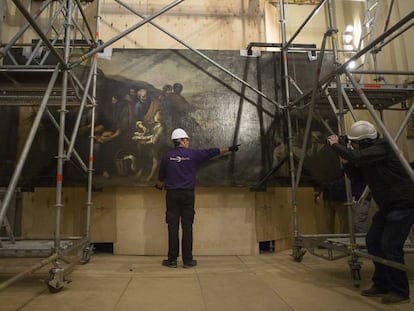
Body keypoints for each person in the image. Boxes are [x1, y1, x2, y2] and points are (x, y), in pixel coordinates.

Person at [327, 120, 414, 305]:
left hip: (403, 204)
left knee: (390, 245)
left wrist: (336, 146)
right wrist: (346, 160)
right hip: (388, 206)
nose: (352, 145)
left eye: (355, 142)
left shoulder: (382, 147)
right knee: (373, 242)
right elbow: (357, 176)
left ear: (365, 141)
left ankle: (400, 291)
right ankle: (381, 284)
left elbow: (357, 157)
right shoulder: (368, 155)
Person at [155, 128, 240, 268]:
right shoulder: (193, 155)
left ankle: (172, 260)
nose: (188, 142)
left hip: (172, 195)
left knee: (172, 227)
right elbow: (212, 152)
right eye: (186, 139)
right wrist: (230, 148)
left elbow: (161, 178)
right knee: (187, 227)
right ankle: (188, 261)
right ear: (181, 140)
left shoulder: (166, 157)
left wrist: (158, 186)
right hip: (188, 195)